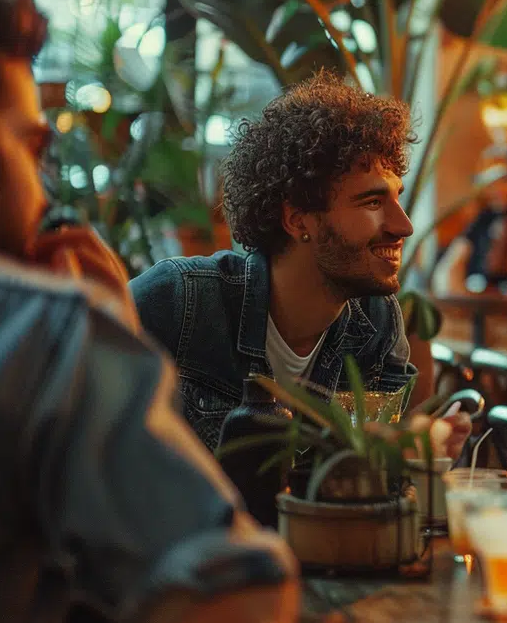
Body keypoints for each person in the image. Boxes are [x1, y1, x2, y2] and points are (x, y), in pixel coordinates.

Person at [0, 0, 299, 623]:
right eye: (32, 146)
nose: (44, 189)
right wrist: (109, 342)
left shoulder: (374, 324)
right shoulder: (41, 330)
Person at [131, 71, 468, 456]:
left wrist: (407, 450)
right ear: (297, 220)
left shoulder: (377, 320)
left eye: (396, 199)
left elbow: (368, 487)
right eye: (373, 203)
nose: (403, 226)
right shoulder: (181, 301)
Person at [432, 143, 507, 295]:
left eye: (506, 180)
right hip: (480, 300)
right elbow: (452, 263)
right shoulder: (488, 213)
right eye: (492, 181)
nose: (497, 188)